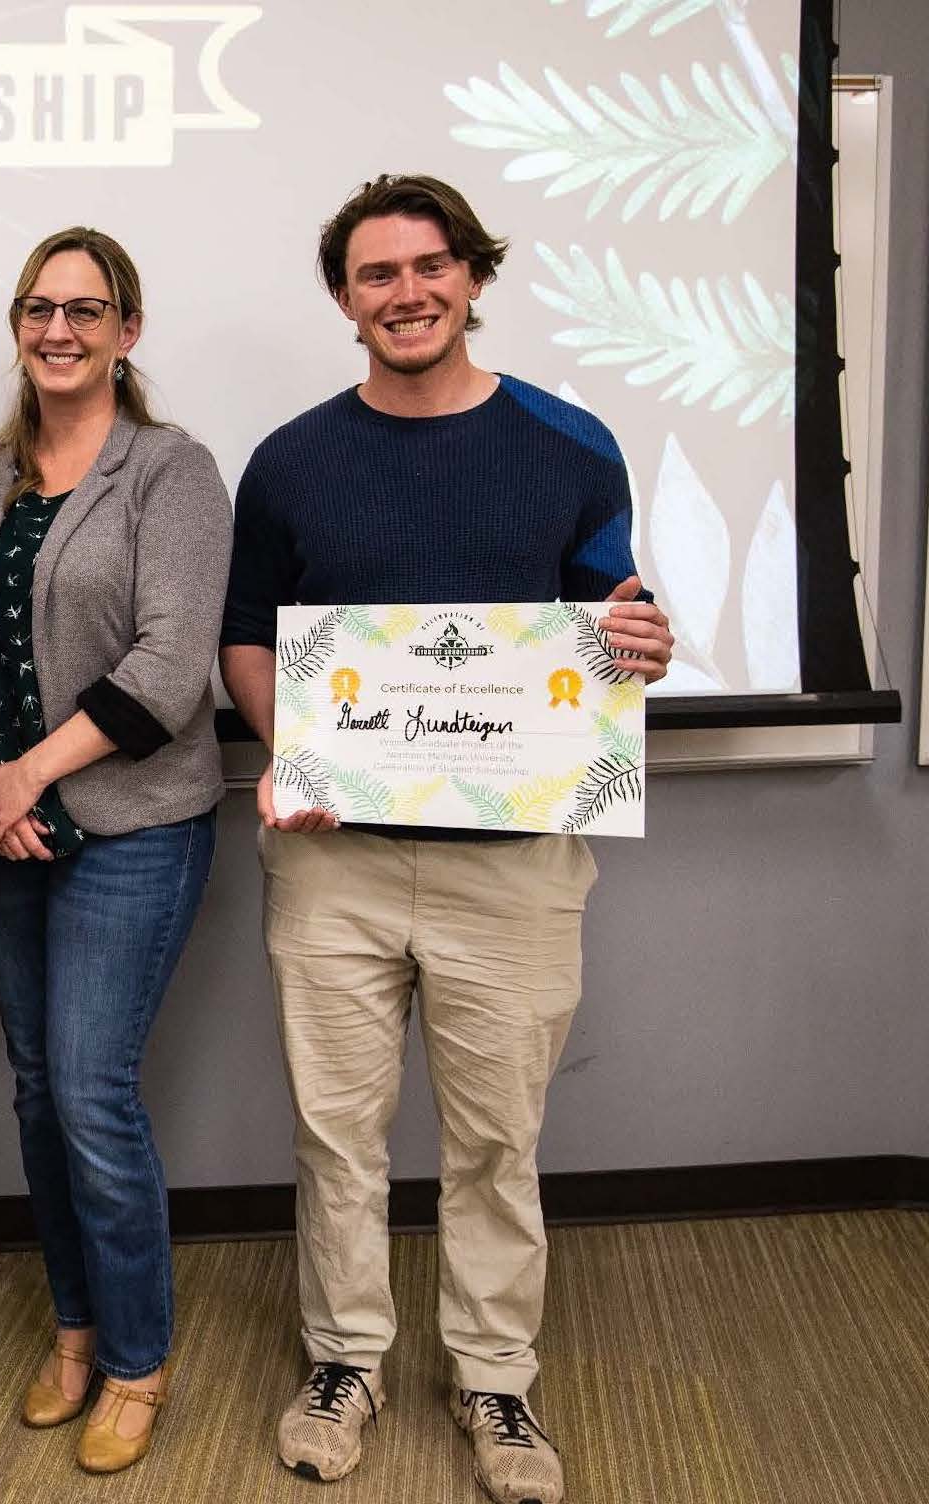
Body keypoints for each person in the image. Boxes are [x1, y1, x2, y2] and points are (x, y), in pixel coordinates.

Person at [218, 175, 675, 1504]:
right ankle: (343, 1360)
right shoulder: (292, 459)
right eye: (374, 274)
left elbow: (611, 622)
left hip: (512, 864)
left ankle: (493, 1379)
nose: (404, 292)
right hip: (332, 858)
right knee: (336, 1133)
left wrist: (642, 639)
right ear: (342, 298)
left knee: (492, 1140)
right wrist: (282, 748)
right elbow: (249, 635)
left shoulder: (570, 442)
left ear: (474, 277)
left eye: (430, 267)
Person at [0, 226, 231, 1476]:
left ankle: (134, 1356)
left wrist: (28, 771)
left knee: (89, 1093)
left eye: (84, 308)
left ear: (126, 329)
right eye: (35, 308)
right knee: (29, 1090)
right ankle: (71, 1328)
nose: (56, 329)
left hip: (129, 824)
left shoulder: (169, 471)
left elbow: (169, 670)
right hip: (0, 832)